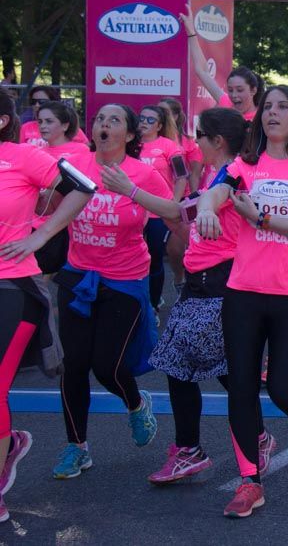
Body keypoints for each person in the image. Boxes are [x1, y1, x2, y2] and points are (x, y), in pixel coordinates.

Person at [103, 107, 279, 485]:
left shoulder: (233, 177)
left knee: (211, 369)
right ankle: (203, 448)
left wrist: (133, 191)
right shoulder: (217, 175)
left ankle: (222, 444)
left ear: (217, 141)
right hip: (200, 286)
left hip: (222, 285)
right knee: (190, 366)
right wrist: (132, 191)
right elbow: (179, 211)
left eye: (200, 134)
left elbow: (193, 209)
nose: (194, 141)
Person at [196, 85, 288, 517]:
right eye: (267, 106)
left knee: (282, 388)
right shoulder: (245, 164)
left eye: (282, 106)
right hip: (244, 293)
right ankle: (249, 481)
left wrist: (260, 216)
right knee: (241, 386)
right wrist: (206, 207)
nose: (272, 113)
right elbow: (219, 191)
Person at [53, 104, 174, 479]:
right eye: (99, 119)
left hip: (124, 279)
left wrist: (132, 191)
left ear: (131, 134)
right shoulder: (74, 164)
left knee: (107, 366)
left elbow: (173, 210)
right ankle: (77, 447)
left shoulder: (143, 173)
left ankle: (137, 404)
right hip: (78, 274)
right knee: (73, 364)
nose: (104, 125)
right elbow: (52, 204)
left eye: (114, 120)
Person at [0, 89, 93, 521]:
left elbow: (83, 187)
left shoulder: (20, 157)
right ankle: (10, 444)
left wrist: (40, 235)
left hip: (13, 289)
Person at [138, 105, 186, 311]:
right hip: (133, 210)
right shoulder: (130, 144)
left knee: (155, 257)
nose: (144, 123)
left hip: (158, 212)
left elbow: (182, 175)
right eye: (142, 118)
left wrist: (173, 203)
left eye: (150, 120)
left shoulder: (168, 146)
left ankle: (154, 304)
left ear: (159, 125)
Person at [33, 102, 90, 273]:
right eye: (40, 121)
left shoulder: (82, 151)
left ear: (65, 125)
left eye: (49, 121)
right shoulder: (36, 152)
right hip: (38, 222)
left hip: (70, 223)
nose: (43, 126)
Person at [180, 4, 263, 120]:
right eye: (230, 90)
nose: (234, 95)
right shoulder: (226, 103)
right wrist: (191, 33)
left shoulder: (262, 118)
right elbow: (202, 71)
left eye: (240, 90)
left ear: (253, 90)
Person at [159, 97, 204, 301]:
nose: (160, 115)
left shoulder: (187, 144)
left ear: (176, 116)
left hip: (180, 201)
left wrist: (194, 202)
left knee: (175, 249)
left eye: (165, 112)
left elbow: (193, 174)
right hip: (149, 203)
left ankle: (179, 279)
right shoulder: (147, 141)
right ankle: (152, 297)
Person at [19, 87, 88, 148]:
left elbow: (87, 149)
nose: (37, 105)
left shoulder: (69, 127)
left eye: (42, 101)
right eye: (33, 102)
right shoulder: (25, 127)